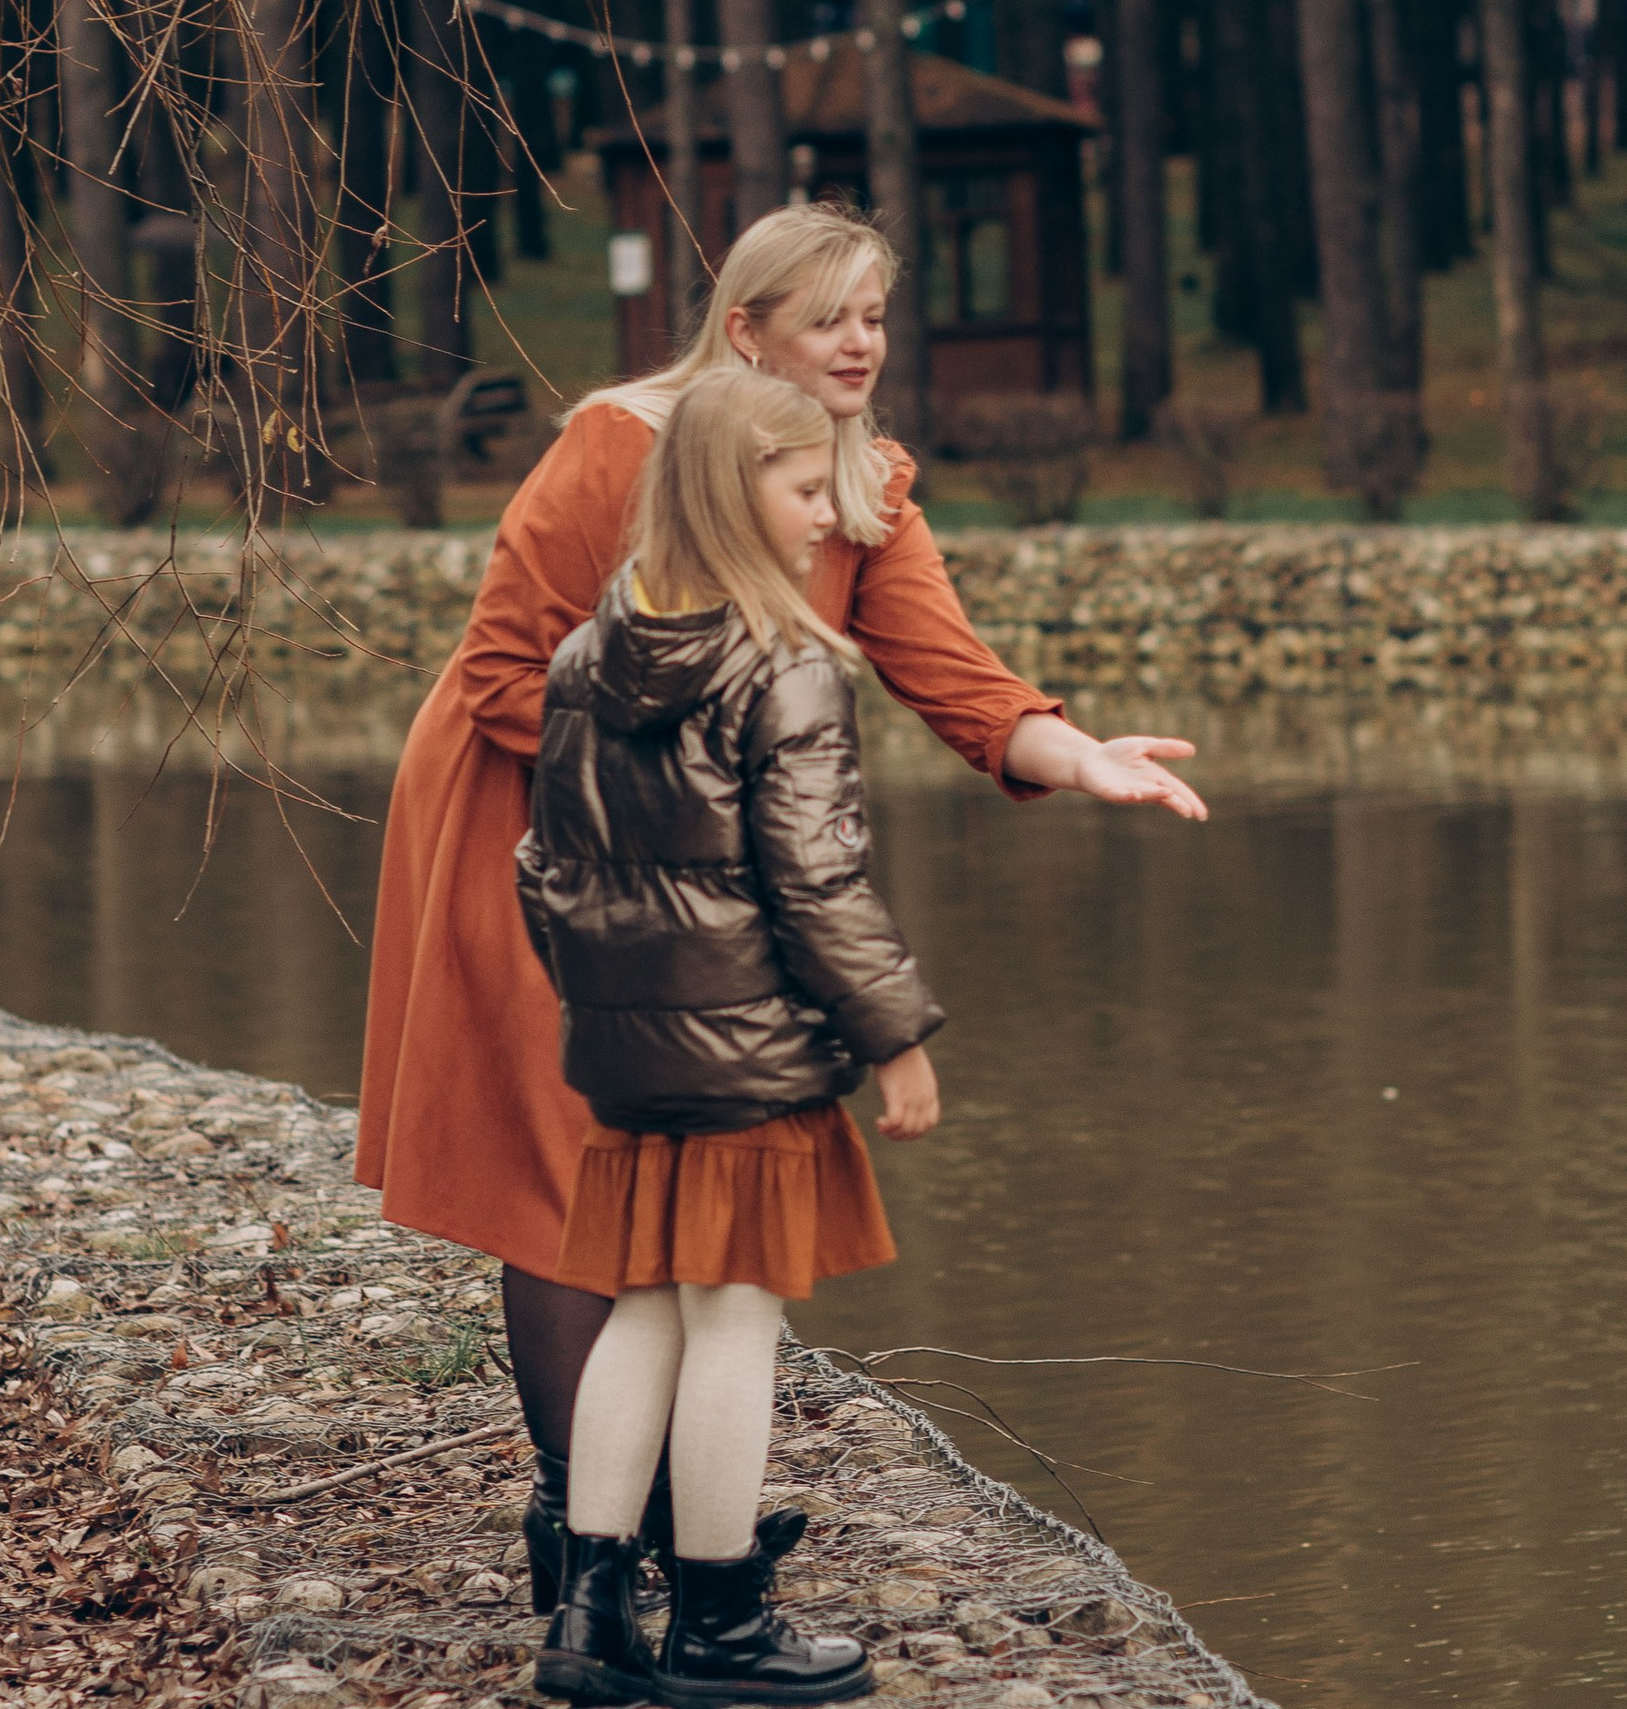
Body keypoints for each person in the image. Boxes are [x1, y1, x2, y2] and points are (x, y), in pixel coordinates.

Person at [354, 200, 1206, 1604]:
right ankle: (588, 1533)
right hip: (531, 815)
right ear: (745, 332)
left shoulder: (854, 483)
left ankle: (649, 1525)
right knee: (564, 1164)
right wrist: (705, 770)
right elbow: (505, 669)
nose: (861, 344)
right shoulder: (618, 448)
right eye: (828, 320)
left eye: (875, 316)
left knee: (660, 1164)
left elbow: (955, 674)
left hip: (699, 850)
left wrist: (1079, 755)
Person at [515, 365, 938, 1705]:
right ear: (732, 492)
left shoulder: (587, 655)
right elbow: (818, 885)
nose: (830, 515)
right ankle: (718, 1622)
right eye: (807, 488)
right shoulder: (787, 667)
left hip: (630, 1056)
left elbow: (543, 867)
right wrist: (895, 1038)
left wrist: (609, 1004)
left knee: (647, 1307)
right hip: (749, 1059)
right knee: (738, 1320)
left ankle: (589, 1616)